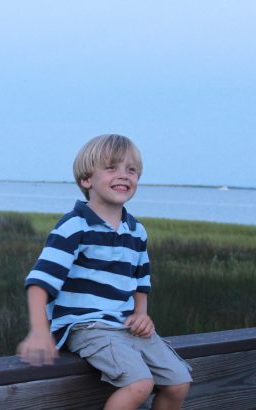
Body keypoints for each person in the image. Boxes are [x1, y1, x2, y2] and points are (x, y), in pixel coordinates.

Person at [16, 134, 192, 409]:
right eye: (111, 168)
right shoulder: (75, 226)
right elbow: (40, 281)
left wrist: (141, 314)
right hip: (85, 325)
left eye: (131, 170)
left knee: (178, 382)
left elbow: (140, 280)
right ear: (87, 179)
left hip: (125, 325)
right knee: (139, 384)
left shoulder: (136, 231)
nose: (123, 175)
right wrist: (39, 331)